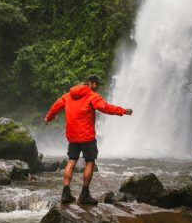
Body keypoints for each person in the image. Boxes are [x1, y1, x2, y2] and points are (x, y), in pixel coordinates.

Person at [45, 75, 133, 204]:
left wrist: (48, 118)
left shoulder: (68, 96)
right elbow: (105, 107)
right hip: (87, 136)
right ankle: (84, 194)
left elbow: (56, 106)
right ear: (90, 83)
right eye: (96, 84)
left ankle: (65, 193)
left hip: (73, 136)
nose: (97, 87)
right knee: (90, 162)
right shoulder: (92, 96)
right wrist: (123, 111)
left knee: (71, 161)